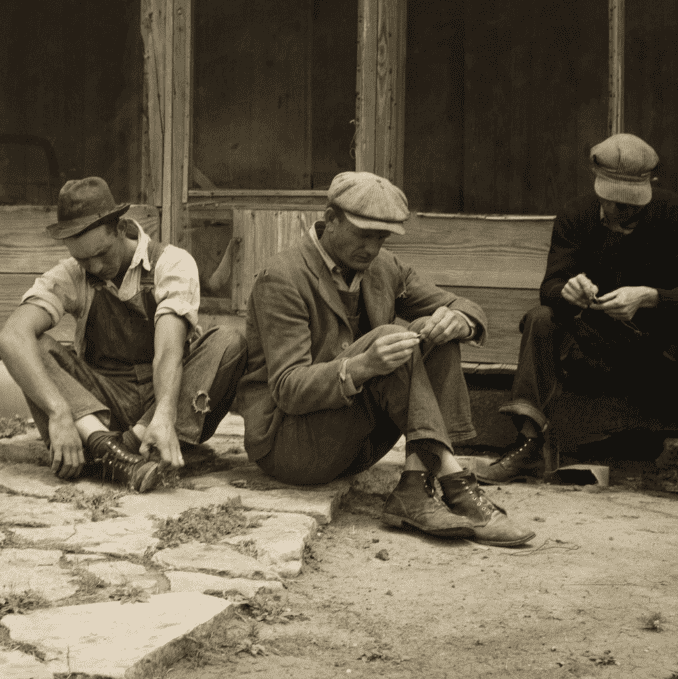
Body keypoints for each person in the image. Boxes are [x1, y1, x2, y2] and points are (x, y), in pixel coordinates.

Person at [237, 171, 534, 547]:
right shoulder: (282, 278)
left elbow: (462, 305)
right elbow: (287, 389)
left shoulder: (383, 267)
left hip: (354, 442)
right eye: (363, 234)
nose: (372, 247)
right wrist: (362, 366)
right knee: (393, 338)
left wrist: (459, 320)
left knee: (434, 329)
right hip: (291, 445)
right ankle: (455, 484)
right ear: (331, 219)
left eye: (382, 237)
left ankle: (416, 482)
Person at [0, 177, 247, 493]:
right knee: (35, 345)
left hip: (164, 396)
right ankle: (110, 450)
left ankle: (113, 451)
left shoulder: (171, 263)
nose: (95, 266)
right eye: (83, 259)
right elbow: (10, 337)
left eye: (101, 253)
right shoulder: (72, 275)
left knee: (229, 341)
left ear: (119, 228)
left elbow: (168, 353)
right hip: (104, 405)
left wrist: (165, 415)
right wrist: (58, 411)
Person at [479, 133, 678, 484]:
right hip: (597, 343)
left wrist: (651, 296)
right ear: (597, 185)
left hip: (660, 350)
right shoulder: (576, 214)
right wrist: (567, 290)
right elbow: (549, 288)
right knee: (540, 319)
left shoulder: (673, 214)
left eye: (631, 203)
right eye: (612, 201)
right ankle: (528, 443)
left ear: (651, 186)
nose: (620, 210)